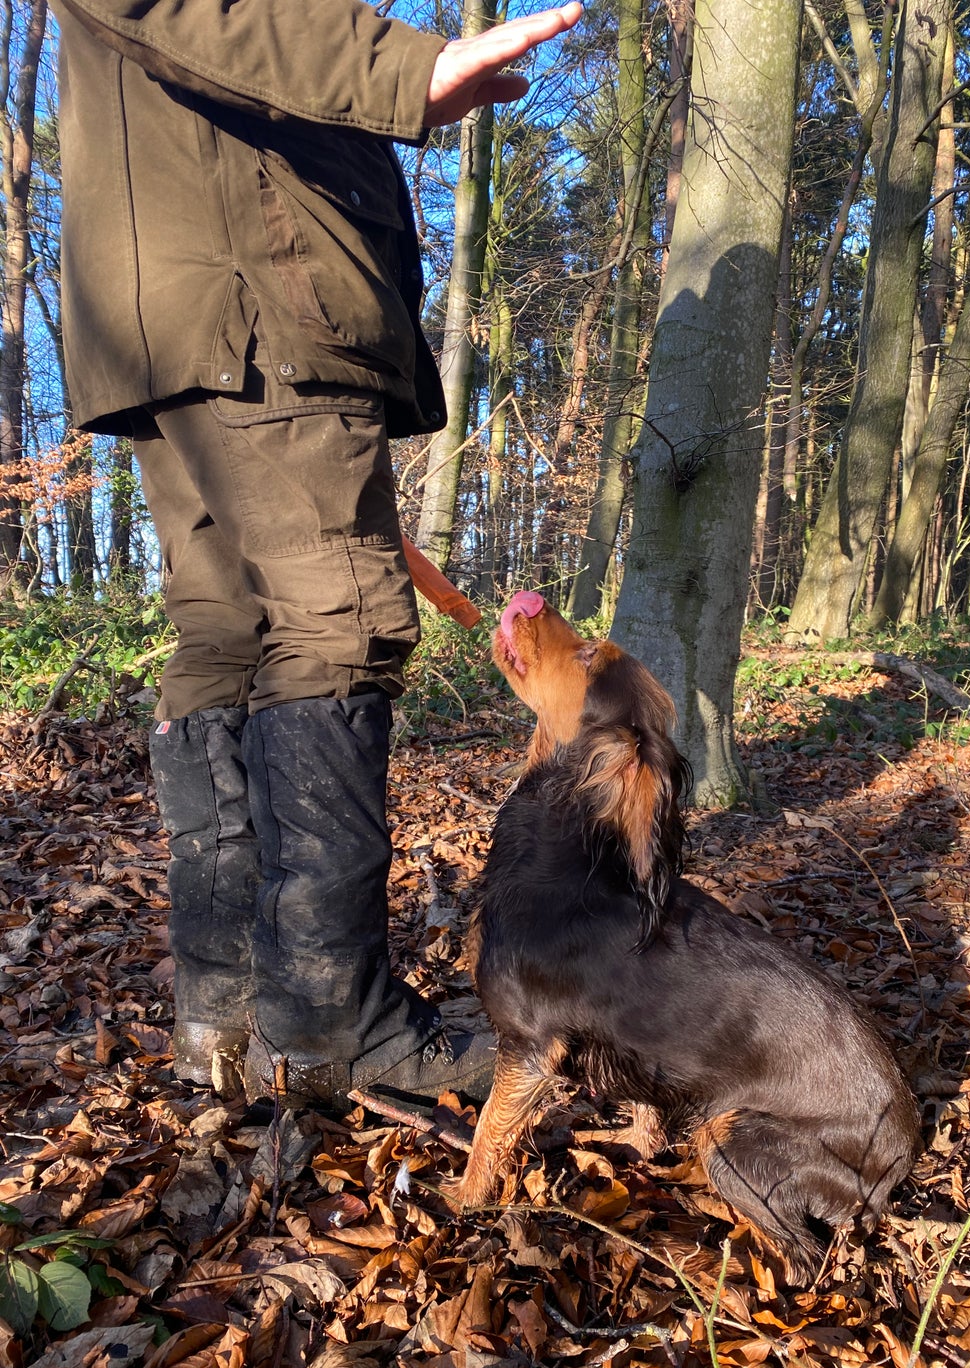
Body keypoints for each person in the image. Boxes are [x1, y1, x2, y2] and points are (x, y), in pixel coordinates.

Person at [51, 0, 583, 1111]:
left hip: (177, 304)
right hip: (256, 296)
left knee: (229, 638)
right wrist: (405, 66)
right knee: (335, 624)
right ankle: (331, 1026)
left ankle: (229, 1015)